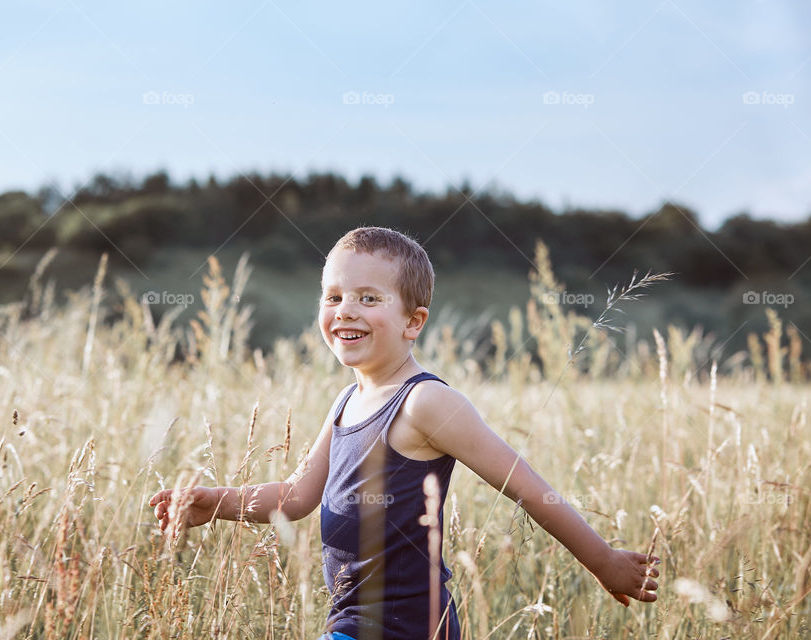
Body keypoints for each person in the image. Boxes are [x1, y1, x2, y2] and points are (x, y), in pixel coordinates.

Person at [149, 226, 660, 640]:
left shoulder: (423, 402)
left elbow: (526, 486)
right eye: (334, 296)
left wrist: (604, 562)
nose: (345, 310)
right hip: (353, 621)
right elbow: (295, 496)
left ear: (413, 321)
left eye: (368, 297)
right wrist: (215, 503)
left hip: (406, 627)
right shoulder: (347, 401)